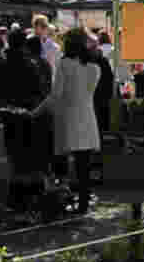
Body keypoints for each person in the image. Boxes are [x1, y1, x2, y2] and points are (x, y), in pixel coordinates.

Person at [31, 28, 100, 214]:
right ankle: (83, 203)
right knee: (84, 165)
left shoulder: (65, 64)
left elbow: (56, 95)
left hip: (69, 118)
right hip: (88, 118)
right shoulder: (94, 67)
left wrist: (36, 112)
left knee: (67, 163)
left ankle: (65, 199)